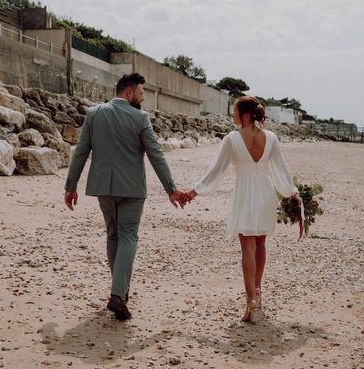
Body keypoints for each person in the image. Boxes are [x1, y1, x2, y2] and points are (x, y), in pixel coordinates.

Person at [63, 72, 187, 321]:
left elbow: (80, 153)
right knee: (128, 236)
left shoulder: (93, 114)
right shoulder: (140, 118)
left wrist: (71, 186)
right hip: (132, 189)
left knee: (112, 235)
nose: (142, 99)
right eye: (141, 94)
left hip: (104, 188)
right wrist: (171, 189)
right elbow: (156, 155)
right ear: (129, 93)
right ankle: (118, 294)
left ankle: (119, 291)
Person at [185, 96, 302, 323]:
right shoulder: (271, 137)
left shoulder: (232, 139)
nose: (232, 116)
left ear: (245, 115)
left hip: (245, 193)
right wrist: (293, 193)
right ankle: (257, 291)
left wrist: (194, 191)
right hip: (265, 192)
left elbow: (216, 171)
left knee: (247, 247)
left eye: (235, 112)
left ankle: (251, 302)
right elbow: (281, 170)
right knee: (260, 243)